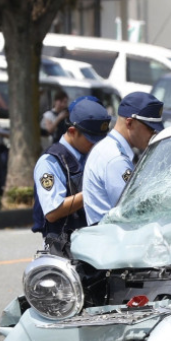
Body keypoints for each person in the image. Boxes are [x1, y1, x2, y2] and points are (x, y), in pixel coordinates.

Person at [32, 98, 111, 240]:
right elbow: (52, 212)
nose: (95, 145)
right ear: (72, 131)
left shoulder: (93, 155)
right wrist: (94, 190)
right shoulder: (50, 162)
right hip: (64, 247)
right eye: (91, 140)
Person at [82, 92, 164, 225]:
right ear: (130, 123)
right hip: (113, 240)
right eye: (150, 128)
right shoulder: (116, 159)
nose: (153, 134)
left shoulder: (108, 148)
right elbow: (133, 212)